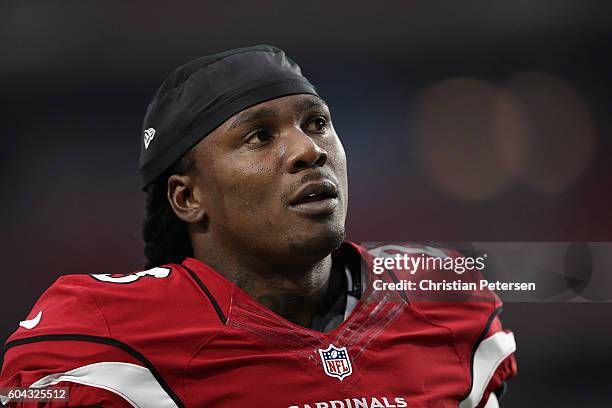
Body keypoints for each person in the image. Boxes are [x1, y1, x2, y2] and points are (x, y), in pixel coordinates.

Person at [0, 45, 516, 408]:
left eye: (316, 123)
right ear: (187, 197)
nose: (308, 151)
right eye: (259, 137)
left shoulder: (442, 299)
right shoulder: (99, 333)